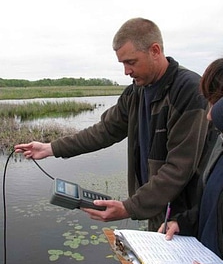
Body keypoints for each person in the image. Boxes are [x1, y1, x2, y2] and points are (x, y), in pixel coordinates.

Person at [14, 17, 215, 231]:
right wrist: (50, 148)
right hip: (158, 212)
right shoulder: (136, 92)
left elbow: (179, 167)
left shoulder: (189, 90)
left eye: (131, 62)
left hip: (192, 216)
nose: (126, 71)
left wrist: (129, 207)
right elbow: (103, 131)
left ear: (155, 50)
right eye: (122, 64)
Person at [158, 58, 223, 264]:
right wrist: (183, 223)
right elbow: (213, 205)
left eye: (215, 103)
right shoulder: (220, 144)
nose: (208, 116)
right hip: (204, 260)